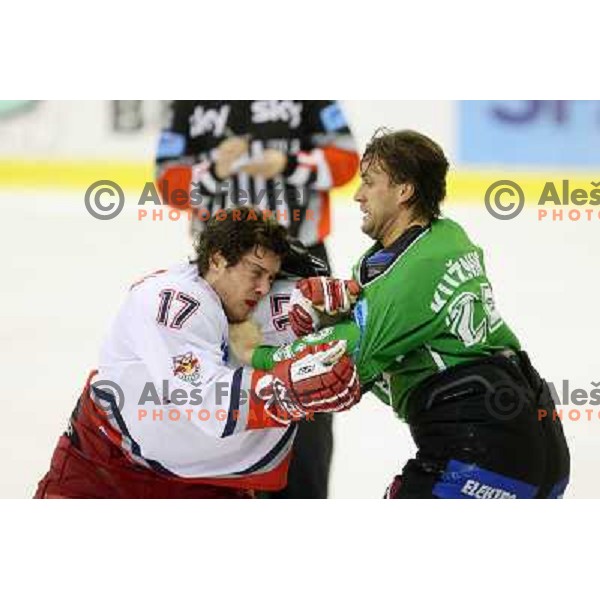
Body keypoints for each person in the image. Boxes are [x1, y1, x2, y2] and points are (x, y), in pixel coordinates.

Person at [245, 129, 571, 499]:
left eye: (369, 183)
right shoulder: (446, 236)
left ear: (404, 191)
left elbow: (336, 367)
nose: (358, 195)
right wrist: (330, 317)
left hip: (481, 451)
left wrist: (251, 353)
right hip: (533, 439)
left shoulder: (409, 272)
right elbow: (392, 333)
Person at [34, 207, 360, 499]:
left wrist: (332, 309)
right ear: (217, 260)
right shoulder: (172, 302)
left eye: (272, 277)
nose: (264, 287)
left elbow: (313, 309)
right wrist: (287, 391)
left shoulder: (247, 294)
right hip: (109, 468)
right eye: (256, 272)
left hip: (213, 482)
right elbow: (210, 403)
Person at [154, 100, 360, 498]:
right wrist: (214, 170)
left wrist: (286, 165)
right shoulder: (188, 101)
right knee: (220, 387)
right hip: (223, 274)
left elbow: (348, 161)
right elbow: (169, 185)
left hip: (300, 266)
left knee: (308, 387)